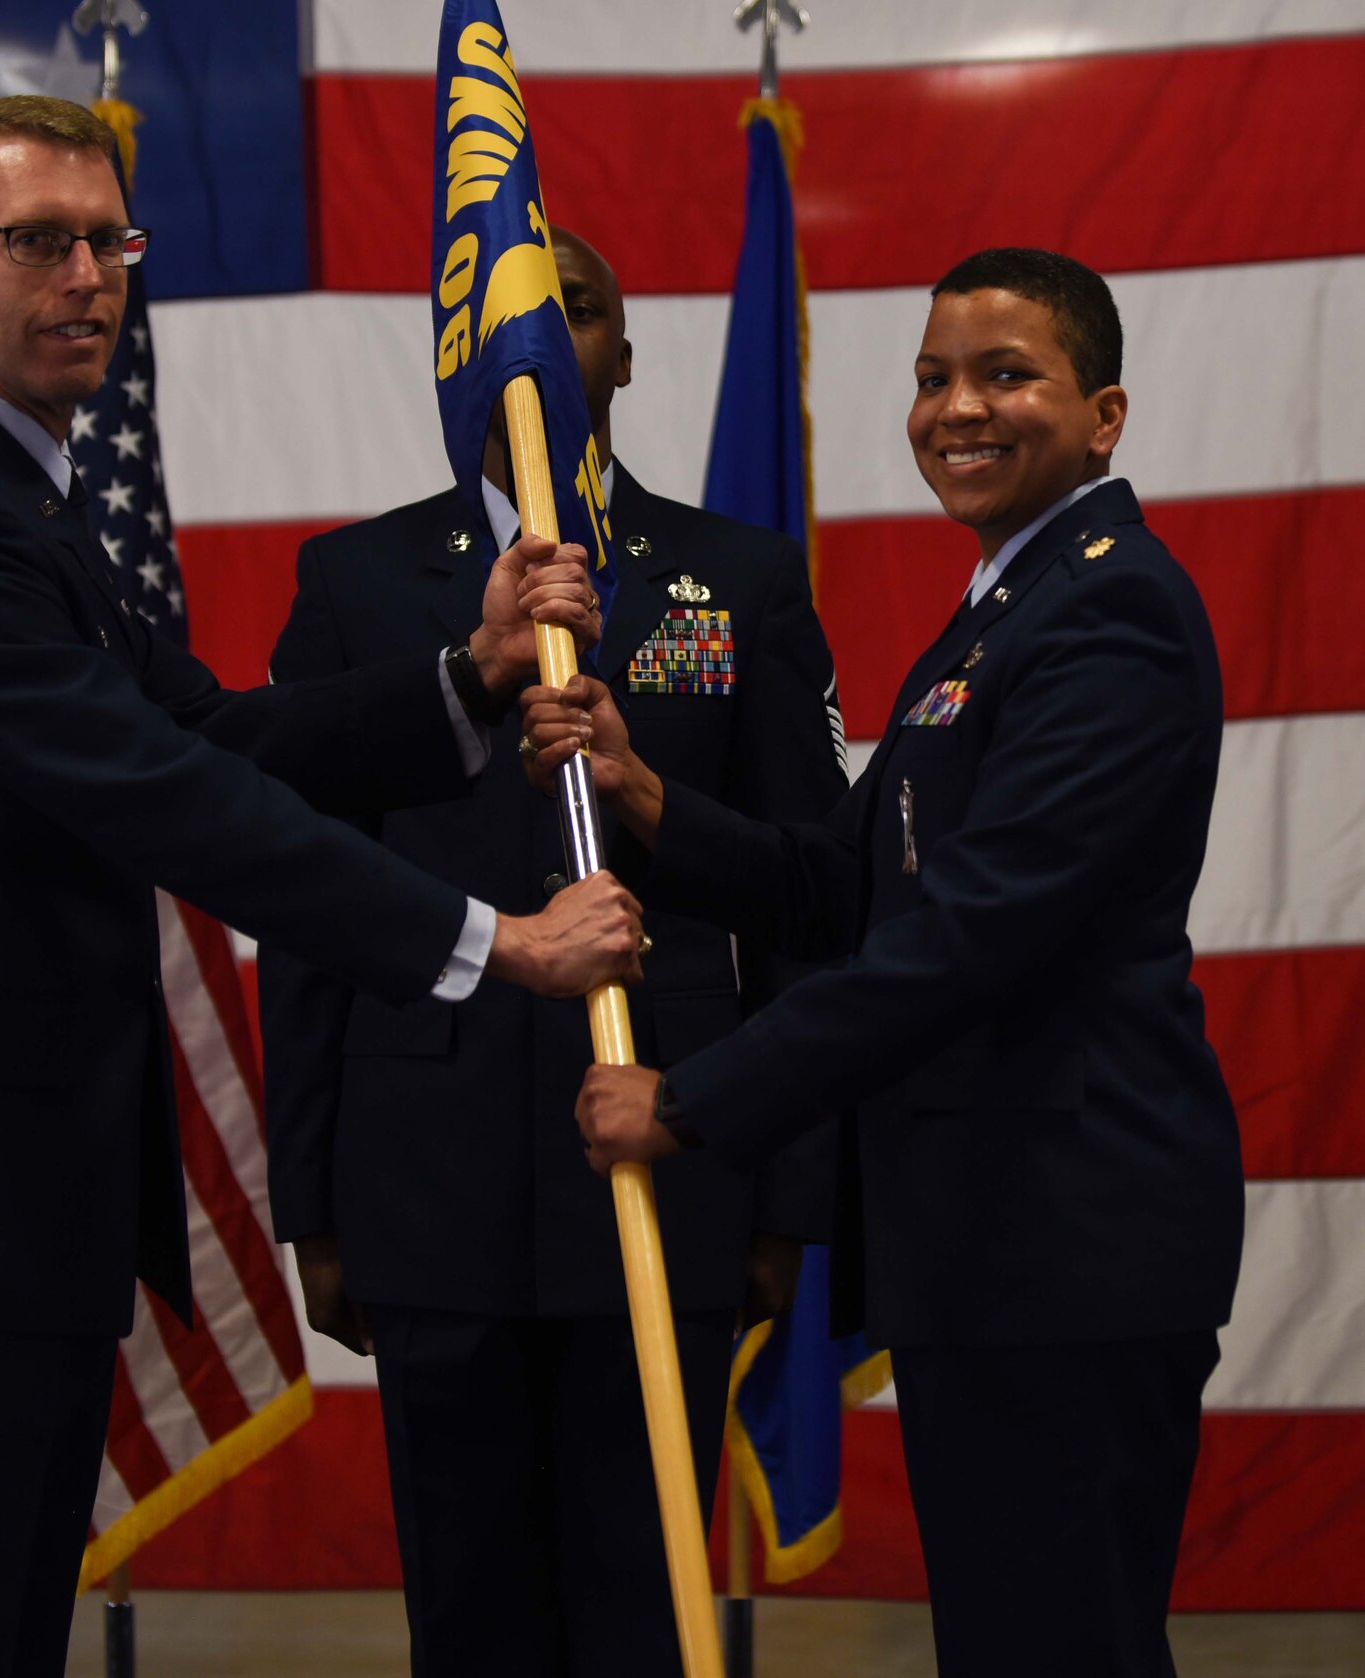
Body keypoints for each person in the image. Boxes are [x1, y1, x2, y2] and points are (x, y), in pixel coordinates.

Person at [0, 96, 642, 1678]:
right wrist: (493, 943)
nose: (88, 274)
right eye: (37, 240)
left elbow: (213, 725)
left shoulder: (26, 500)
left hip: (10, 1220)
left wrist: (469, 668)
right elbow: (175, 797)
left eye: (110, 239)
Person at [531, 248, 1245, 1676]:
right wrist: (650, 799)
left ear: (1103, 413)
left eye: (1004, 374)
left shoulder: (1111, 608)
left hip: (1068, 1237)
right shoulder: (999, 608)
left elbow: (962, 938)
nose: (955, 409)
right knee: (1012, 1639)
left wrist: (688, 1102)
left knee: (1060, 1647)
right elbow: (848, 877)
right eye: (932, 378)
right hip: (990, 1238)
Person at [258, 227, 848, 1675]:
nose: (541, 343)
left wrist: (788, 1192)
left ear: (623, 355)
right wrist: (313, 1199)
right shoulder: (356, 584)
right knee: (470, 1616)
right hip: (426, 1171)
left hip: (670, 1164)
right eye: (505, 321)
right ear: (460, 362)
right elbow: (305, 901)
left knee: (640, 1600)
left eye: (576, 311)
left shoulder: (739, 578)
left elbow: (813, 904)